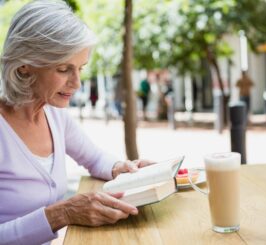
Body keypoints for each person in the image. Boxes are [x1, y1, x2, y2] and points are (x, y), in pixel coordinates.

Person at [0, 1, 152, 244]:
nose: (77, 83)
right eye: (63, 69)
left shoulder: (54, 115)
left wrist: (121, 168)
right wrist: (61, 213)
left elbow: (94, 158)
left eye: (80, 69)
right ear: (25, 66)